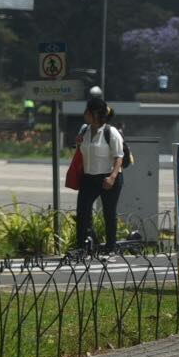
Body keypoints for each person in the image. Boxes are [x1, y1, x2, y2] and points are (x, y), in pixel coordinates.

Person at [72, 96, 124, 254]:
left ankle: (110, 247)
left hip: (109, 177)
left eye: (87, 111)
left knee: (109, 213)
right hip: (89, 178)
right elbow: (81, 152)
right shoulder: (84, 130)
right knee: (82, 211)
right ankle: (83, 246)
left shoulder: (110, 132)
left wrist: (112, 177)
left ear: (95, 113)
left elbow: (119, 156)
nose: (85, 114)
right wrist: (78, 142)